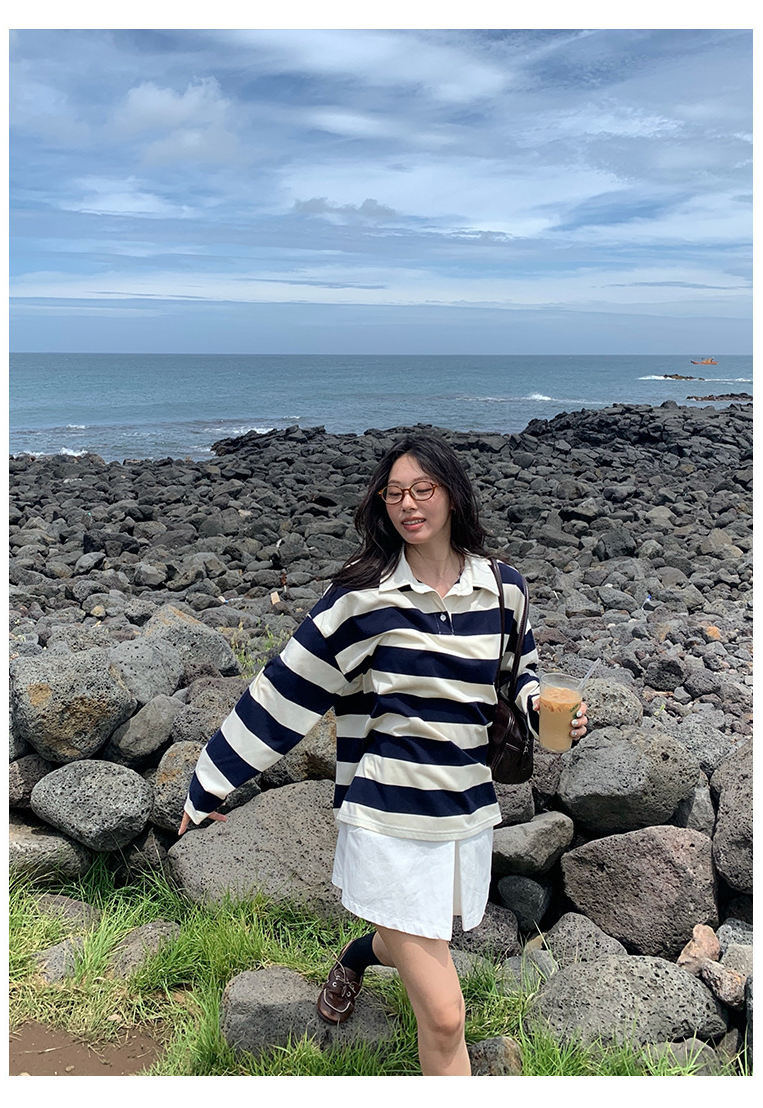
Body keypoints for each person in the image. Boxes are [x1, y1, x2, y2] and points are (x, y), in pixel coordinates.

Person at [178, 431, 588, 1076]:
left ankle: (357, 956)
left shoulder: (502, 589)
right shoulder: (363, 597)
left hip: (465, 809)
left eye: (423, 489)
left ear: (452, 495)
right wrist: (208, 783)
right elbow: (286, 687)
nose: (408, 504)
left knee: (419, 935)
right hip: (386, 814)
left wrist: (542, 710)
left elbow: (518, 675)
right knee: (445, 1016)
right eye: (394, 493)